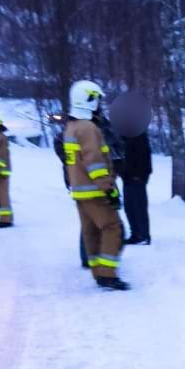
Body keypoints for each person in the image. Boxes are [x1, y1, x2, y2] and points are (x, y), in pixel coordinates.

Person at [63, 79, 130, 290]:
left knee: (90, 231)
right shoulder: (88, 128)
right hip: (94, 191)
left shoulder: (71, 127)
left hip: (80, 192)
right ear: (89, 100)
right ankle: (107, 274)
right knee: (112, 227)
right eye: (97, 100)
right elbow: (94, 162)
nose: (99, 104)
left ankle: (98, 272)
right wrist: (108, 188)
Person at [122, 131, 152, 245]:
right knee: (129, 206)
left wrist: (140, 175)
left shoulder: (139, 135)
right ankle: (136, 233)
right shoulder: (127, 135)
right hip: (128, 175)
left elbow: (143, 156)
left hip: (137, 176)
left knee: (138, 206)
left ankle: (143, 235)